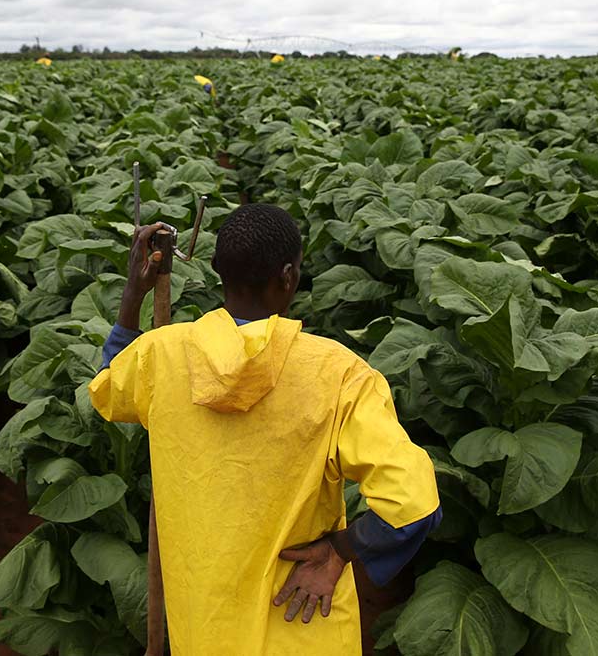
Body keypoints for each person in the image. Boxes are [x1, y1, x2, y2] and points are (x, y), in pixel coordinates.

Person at [89, 204, 441, 655]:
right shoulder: (340, 374)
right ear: (289, 275)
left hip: (204, 626)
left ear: (218, 272)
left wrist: (132, 296)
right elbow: (413, 503)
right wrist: (340, 550)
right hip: (300, 617)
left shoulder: (160, 356)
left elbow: (107, 388)